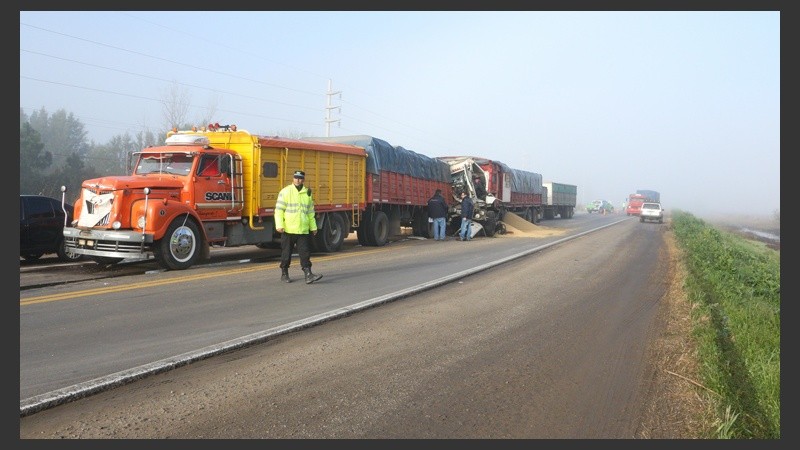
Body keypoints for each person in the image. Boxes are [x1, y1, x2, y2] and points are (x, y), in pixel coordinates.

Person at [275, 170, 323, 284]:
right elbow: (279, 210)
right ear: (293, 178)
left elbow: (310, 212)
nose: (298, 180)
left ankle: (308, 274)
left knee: (305, 253)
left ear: (303, 180)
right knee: (286, 253)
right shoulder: (286, 191)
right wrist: (279, 225)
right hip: (288, 229)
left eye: (300, 178)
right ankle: (284, 273)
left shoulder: (307, 193)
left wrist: (313, 227)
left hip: (302, 229)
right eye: (296, 177)